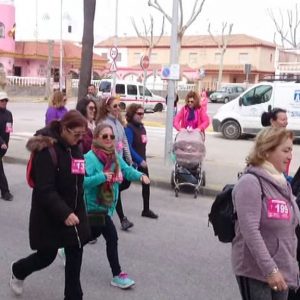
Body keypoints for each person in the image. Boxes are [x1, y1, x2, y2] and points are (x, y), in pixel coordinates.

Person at [10, 110, 90, 299]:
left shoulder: (75, 147)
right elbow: (44, 190)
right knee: (46, 256)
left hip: (74, 213)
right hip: (50, 214)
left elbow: (78, 182)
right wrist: (64, 213)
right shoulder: (47, 151)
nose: (79, 139)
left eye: (82, 135)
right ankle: (18, 270)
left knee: (75, 258)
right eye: (76, 134)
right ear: (64, 128)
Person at [232, 127, 300, 300]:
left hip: (282, 268)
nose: (290, 156)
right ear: (266, 151)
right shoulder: (250, 183)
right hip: (256, 270)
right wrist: (270, 269)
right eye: (285, 150)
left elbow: (290, 227)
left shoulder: (283, 182)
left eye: (291, 150)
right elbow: (250, 232)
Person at [84, 123, 150, 289]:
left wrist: (141, 176)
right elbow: (82, 183)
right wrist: (102, 177)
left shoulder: (114, 156)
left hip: (107, 206)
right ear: (97, 137)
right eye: (104, 136)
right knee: (112, 237)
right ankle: (117, 275)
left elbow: (127, 170)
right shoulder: (88, 158)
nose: (108, 139)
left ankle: (67, 248)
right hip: (94, 206)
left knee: (90, 235)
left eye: (111, 137)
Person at [96, 96, 134, 231]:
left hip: (120, 162)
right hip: (109, 162)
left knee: (120, 187)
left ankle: (102, 212)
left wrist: (129, 161)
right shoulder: (105, 124)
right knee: (113, 190)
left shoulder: (119, 124)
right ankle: (121, 219)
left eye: (119, 106)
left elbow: (124, 143)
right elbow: (102, 144)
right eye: (115, 106)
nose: (118, 109)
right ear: (107, 108)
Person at [125, 104, 158, 219]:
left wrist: (143, 160)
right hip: (133, 163)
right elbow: (128, 147)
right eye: (138, 113)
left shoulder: (142, 128)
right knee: (124, 184)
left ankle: (146, 209)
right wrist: (139, 160)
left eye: (142, 113)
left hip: (142, 162)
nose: (141, 116)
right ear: (132, 114)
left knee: (146, 184)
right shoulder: (129, 128)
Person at [0, 91, 13, 201]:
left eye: (5, 100)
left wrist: (6, 143)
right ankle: (5, 192)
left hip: (4, 146)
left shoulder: (9, 114)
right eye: (2, 100)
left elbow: (9, 130)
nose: (4, 102)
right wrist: (1, 142)